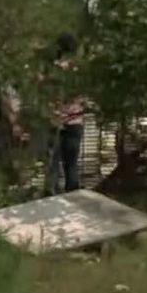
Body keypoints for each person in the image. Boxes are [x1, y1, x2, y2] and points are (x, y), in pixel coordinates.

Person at [45, 33, 86, 195]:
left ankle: (51, 197)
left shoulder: (51, 70)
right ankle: (73, 197)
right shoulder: (79, 71)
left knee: (53, 163)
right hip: (75, 119)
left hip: (54, 119)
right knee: (72, 164)